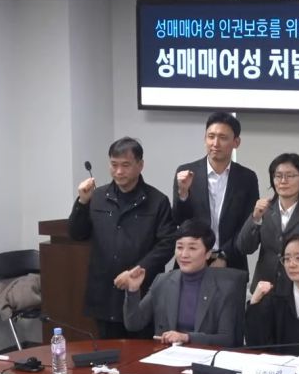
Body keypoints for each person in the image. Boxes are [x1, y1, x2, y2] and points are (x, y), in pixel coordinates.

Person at [68, 137, 175, 339]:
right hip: (104, 292)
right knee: (108, 351)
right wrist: (82, 202)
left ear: (140, 165)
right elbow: (77, 234)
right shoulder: (97, 196)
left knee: (142, 351)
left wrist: (137, 272)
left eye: (125, 165)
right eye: (114, 165)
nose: (118, 171)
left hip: (141, 292)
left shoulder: (157, 201)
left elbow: (167, 244)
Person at [116, 219, 246, 346]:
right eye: (179, 247)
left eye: (192, 248)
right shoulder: (162, 281)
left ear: (208, 254)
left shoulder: (225, 287)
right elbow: (134, 324)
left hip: (206, 356)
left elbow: (227, 339)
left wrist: (187, 337)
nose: (184, 254)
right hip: (167, 355)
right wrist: (133, 290)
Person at [172, 111, 259, 271]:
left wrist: (224, 255)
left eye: (223, 138)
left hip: (232, 263)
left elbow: (246, 226)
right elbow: (180, 221)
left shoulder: (247, 178)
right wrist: (183, 193)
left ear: (236, 142)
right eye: (211, 136)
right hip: (191, 261)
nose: (215, 143)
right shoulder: (187, 172)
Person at [236, 153, 299, 294]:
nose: (283, 181)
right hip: (265, 288)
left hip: (298, 289)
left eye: (290, 176)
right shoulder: (265, 210)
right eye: (278, 176)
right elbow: (244, 247)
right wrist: (255, 218)